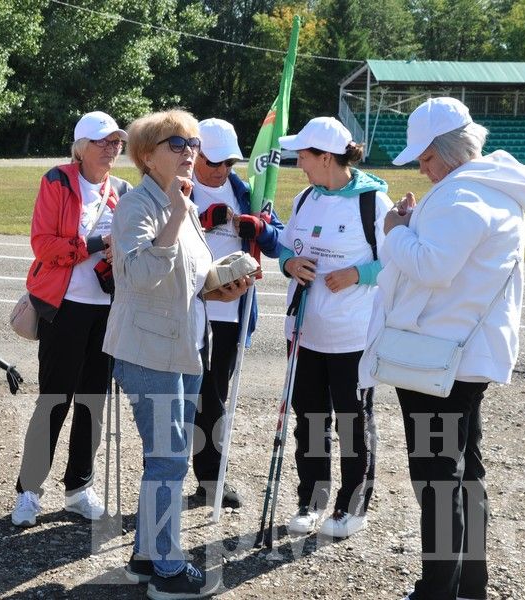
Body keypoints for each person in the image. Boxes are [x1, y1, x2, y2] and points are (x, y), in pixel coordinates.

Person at [357, 97, 525, 600]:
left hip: (438, 356)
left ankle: (438, 588)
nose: (422, 167)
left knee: (437, 478)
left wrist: (394, 231)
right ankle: (469, 584)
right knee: (464, 472)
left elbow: (433, 267)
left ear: (450, 149)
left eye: (426, 157)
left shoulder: (464, 197)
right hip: (463, 354)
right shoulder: (492, 191)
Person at [103, 109, 253, 600]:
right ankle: (166, 570)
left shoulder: (181, 203)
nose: (190, 151)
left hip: (184, 347)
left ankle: (148, 556)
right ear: (147, 156)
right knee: (167, 461)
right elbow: (142, 275)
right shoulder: (137, 207)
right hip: (150, 352)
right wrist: (173, 215)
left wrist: (220, 288)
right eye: (176, 143)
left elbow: (190, 277)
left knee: (167, 459)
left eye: (193, 142)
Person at [10, 111, 132, 528]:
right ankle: (28, 490)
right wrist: (100, 242)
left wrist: (124, 251)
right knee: (54, 399)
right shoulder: (57, 181)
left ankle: (79, 488)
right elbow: (44, 246)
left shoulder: (123, 189)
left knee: (94, 403)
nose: (111, 148)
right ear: (80, 146)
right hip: (64, 308)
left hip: (106, 310)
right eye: (102, 141)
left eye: (116, 142)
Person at [277, 117, 392, 538]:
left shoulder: (374, 203)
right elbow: (287, 248)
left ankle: (352, 506)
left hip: (353, 337)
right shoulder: (306, 197)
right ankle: (311, 501)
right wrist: (289, 263)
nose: (298, 163)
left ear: (326, 157)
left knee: (352, 420)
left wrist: (358, 275)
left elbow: (397, 261)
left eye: (304, 156)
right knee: (308, 419)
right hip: (305, 332)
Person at [188, 117, 283, 509]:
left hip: (231, 314)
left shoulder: (245, 190)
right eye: (213, 162)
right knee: (188, 396)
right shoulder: (181, 186)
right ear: (194, 156)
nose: (221, 171)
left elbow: (278, 241)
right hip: (188, 306)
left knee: (214, 397)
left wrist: (258, 227)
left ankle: (211, 479)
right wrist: (199, 219)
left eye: (228, 163)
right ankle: (192, 473)